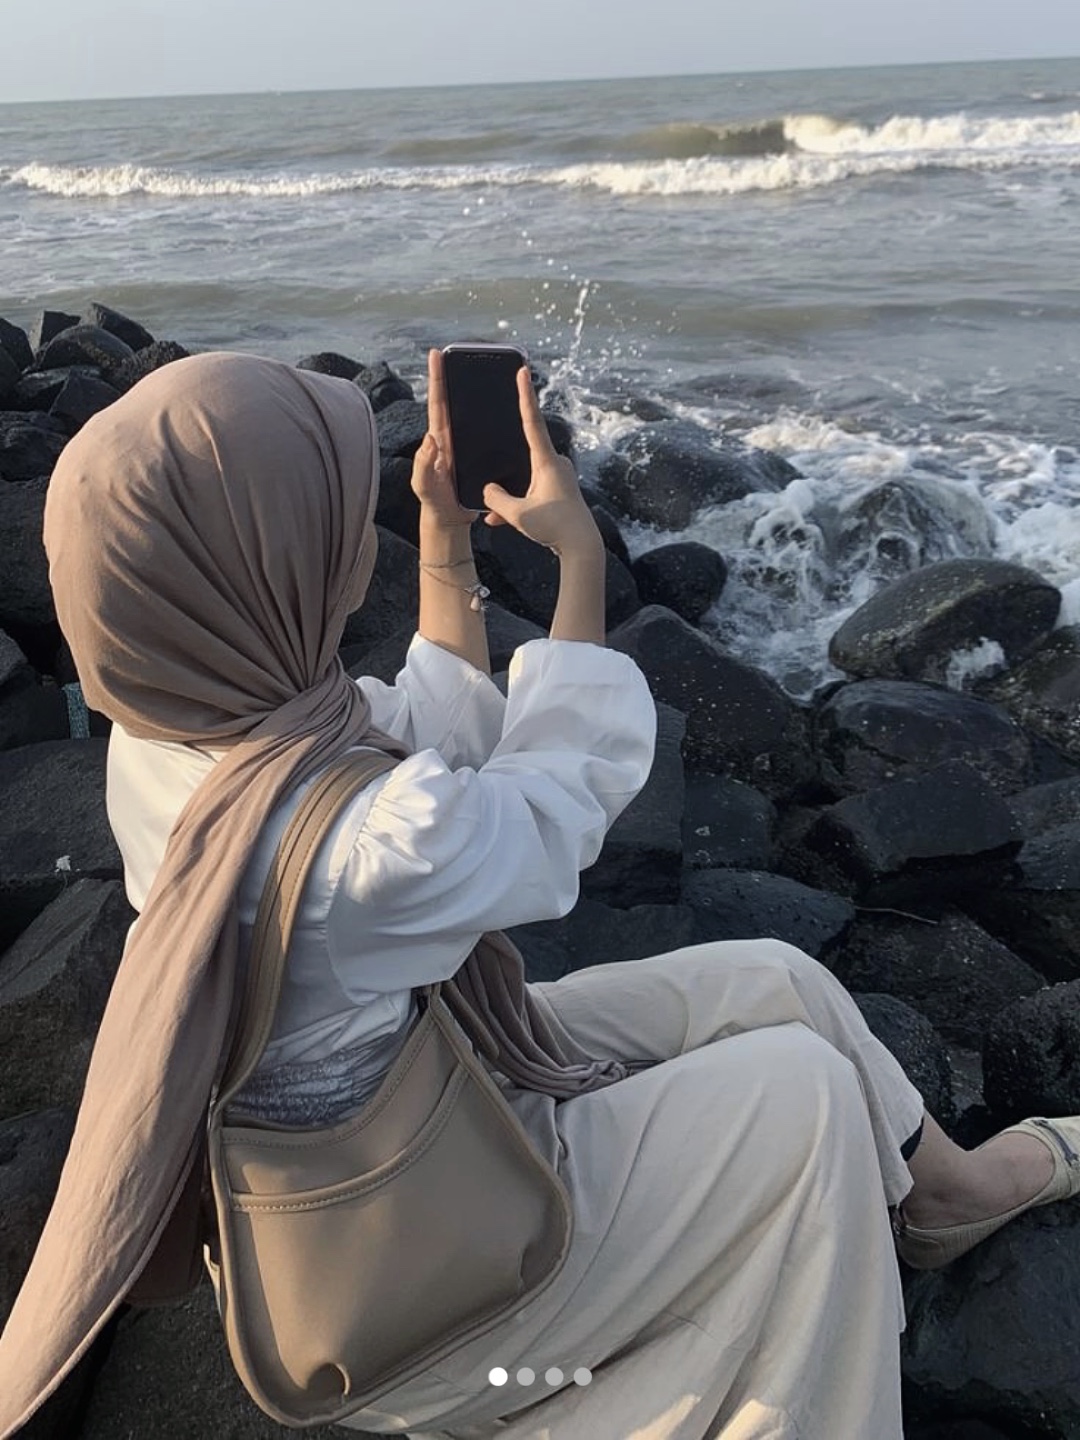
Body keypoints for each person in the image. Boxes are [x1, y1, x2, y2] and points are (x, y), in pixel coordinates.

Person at [1, 347, 1077, 1440]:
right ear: (259, 573)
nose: (349, 538)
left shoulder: (183, 727)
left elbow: (425, 735)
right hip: (414, 1266)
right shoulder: (363, 849)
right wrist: (578, 562)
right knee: (802, 1097)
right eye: (328, 521)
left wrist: (444, 536)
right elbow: (558, 803)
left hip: (420, 1082)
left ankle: (943, 1195)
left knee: (770, 981)